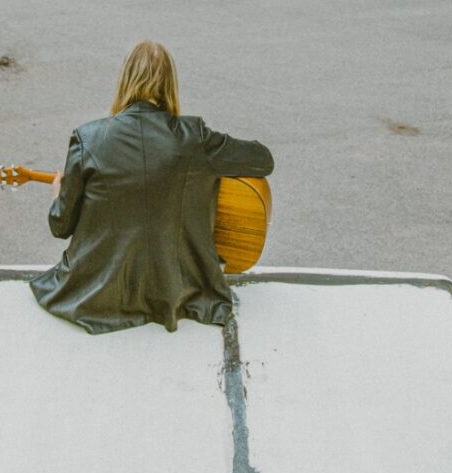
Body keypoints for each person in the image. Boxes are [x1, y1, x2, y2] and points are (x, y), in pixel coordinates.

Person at [30, 41, 274, 334]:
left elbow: (61, 227)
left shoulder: (88, 138)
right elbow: (263, 161)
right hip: (178, 290)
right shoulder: (194, 137)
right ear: (170, 83)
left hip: (97, 297)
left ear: (125, 79)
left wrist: (59, 194)